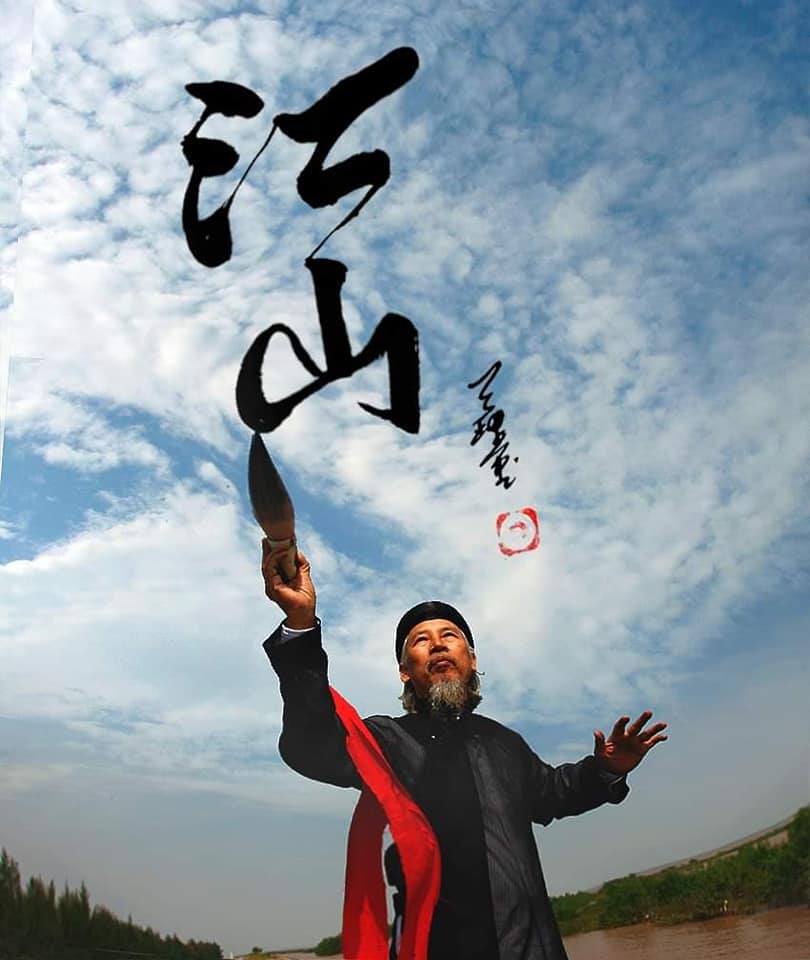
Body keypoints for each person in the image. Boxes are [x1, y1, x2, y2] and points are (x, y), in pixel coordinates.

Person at [261, 542, 668, 960]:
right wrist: (300, 626)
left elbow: (555, 791)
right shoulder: (387, 740)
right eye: (421, 640)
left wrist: (605, 769)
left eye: (449, 636)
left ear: (471, 660)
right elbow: (311, 745)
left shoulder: (504, 743)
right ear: (405, 671)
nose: (437, 645)